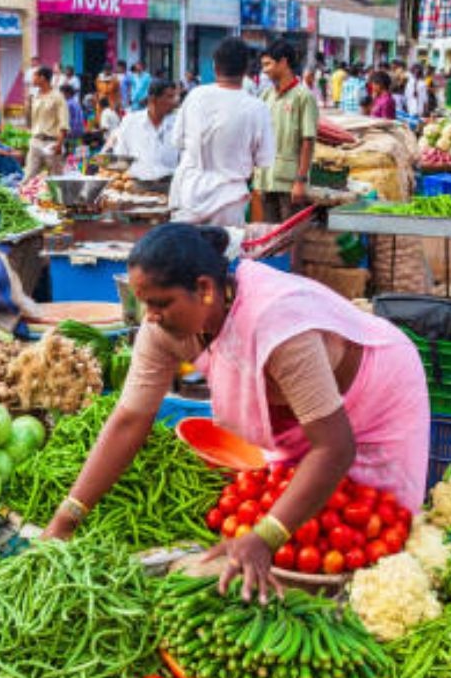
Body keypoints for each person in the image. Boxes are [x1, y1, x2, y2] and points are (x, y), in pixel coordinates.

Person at [42, 223, 430, 602]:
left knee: (373, 534)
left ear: (206, 290)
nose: (150, 317)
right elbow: (129, 420)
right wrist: (67, 518)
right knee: (308, 525)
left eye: (160, 303)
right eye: (145, 304)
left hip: (375, 393)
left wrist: (265, 536)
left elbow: (334, 447)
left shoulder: (276, 321)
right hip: (300, 416)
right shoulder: (162, 328)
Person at [169, 37, 274, 226]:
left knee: (184, 254)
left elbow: (177, 141)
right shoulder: (258, 108)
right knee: (224, 254)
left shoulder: (195, 96)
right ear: (245, 70)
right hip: (229, 202)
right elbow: (264, 160)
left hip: (189, 196)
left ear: (215, 67)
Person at [254, 39, 318, 224]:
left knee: (290, 235)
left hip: (289, 180)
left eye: (268, 64)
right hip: (266, 178)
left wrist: (300, 180)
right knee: (270, 233)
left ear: (283, 62)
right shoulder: (266, 95)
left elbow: (308, 140)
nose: (264, 70)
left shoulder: (303, 97)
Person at [107, 79, 179, 182]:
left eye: (174, 96)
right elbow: (121, 156)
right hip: (137, 186)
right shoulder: (131, 122)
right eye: (169, 97)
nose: (174, 102)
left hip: (169, 186)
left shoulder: (177, 123)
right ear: (153, 99)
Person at [23, 67, 68, 179]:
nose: (32, 79)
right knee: (29, 177)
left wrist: (59, 144)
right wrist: (27, 105)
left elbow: (64, 122)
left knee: (56, 179)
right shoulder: (35, 96)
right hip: (36, 141)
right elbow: (30, 121)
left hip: (52, 143)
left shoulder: (58, 97)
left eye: (34, 75)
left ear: (42, 78)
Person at [62, 84, 85, 154]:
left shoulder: (67, 104)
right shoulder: (76, 103)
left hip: (70, 132)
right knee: (76, 154)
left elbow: (66, 119)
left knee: (68, 153)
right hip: (79, 131)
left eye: (62, 93)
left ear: (67, 93)